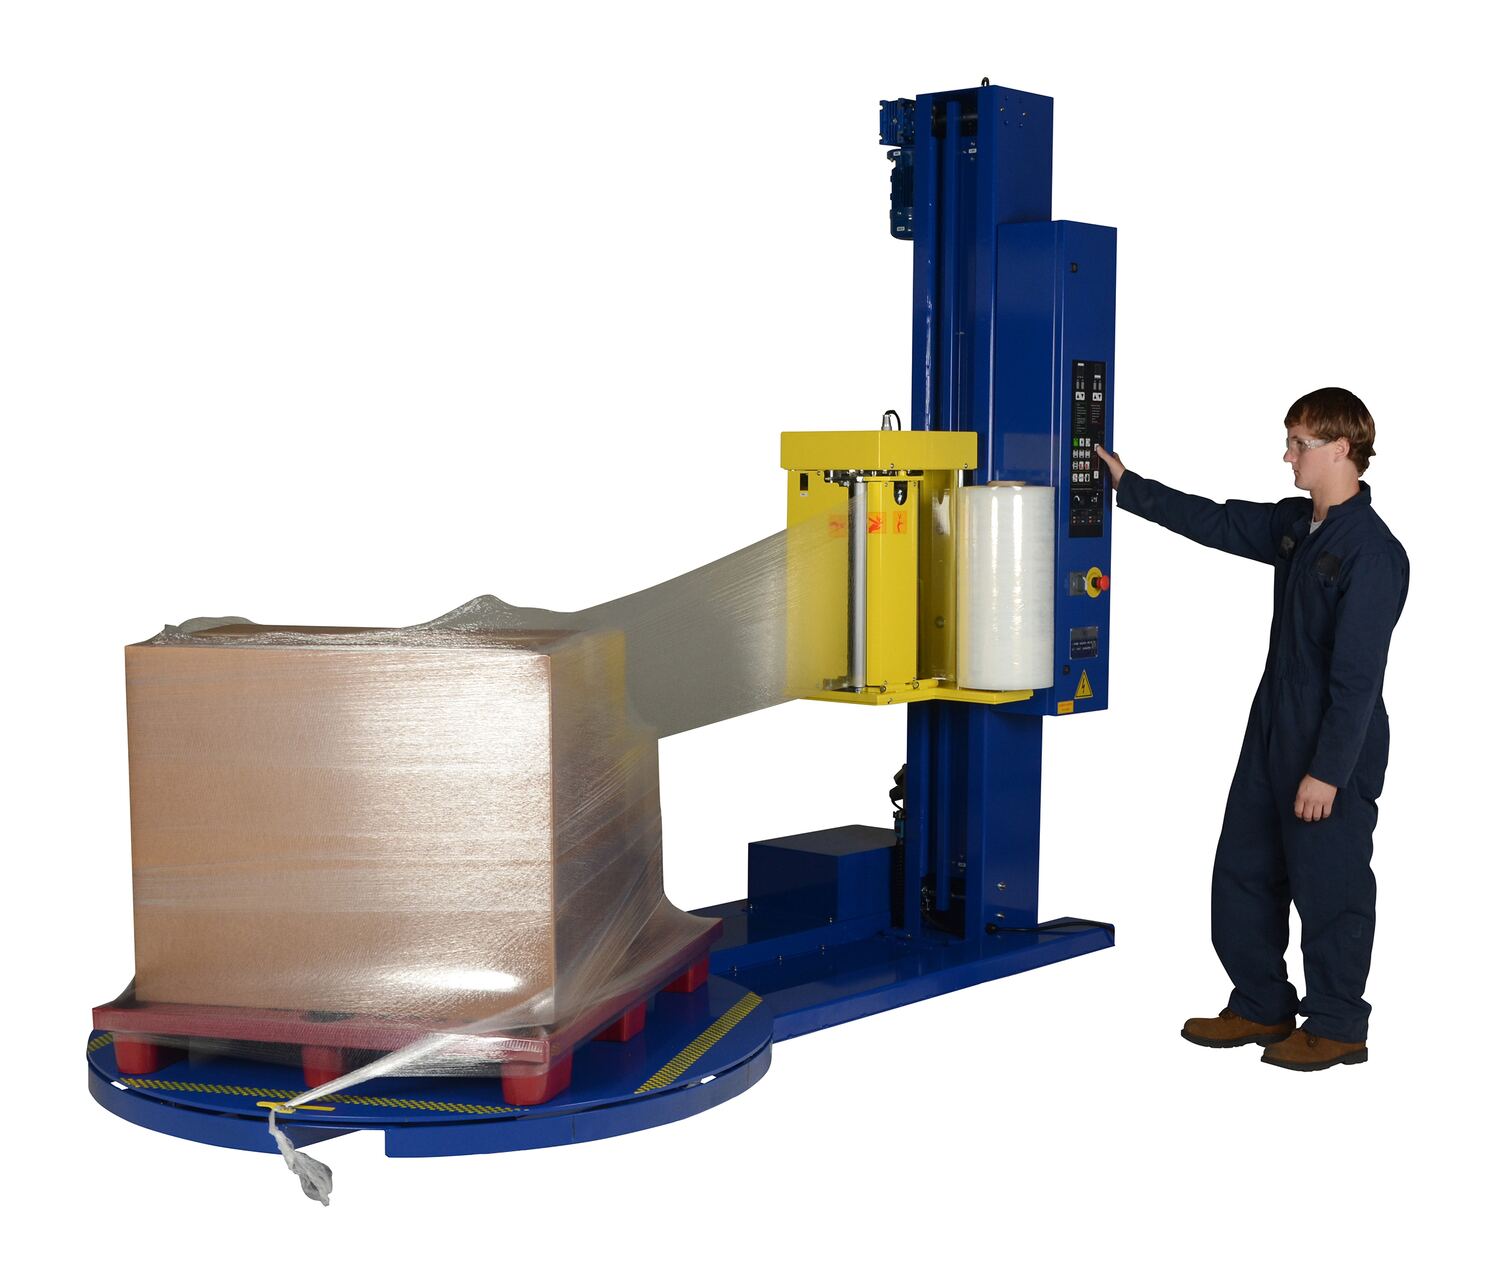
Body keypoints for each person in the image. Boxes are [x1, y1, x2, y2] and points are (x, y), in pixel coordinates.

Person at [1095, 387, 1408, 1071]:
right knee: (1244, 867)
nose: (1288, 455)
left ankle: (1337, 1025)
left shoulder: (1373, 553)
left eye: (1299, 444)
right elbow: (1216, 520)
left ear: (1342, 449)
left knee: (1329, 884)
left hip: (1332, 740)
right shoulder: (1298, 526)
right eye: (1289, 441)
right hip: (1272, 724)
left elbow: (1357, 683)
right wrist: (1127, 485)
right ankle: (1262, 1003)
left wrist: (1327, 772)